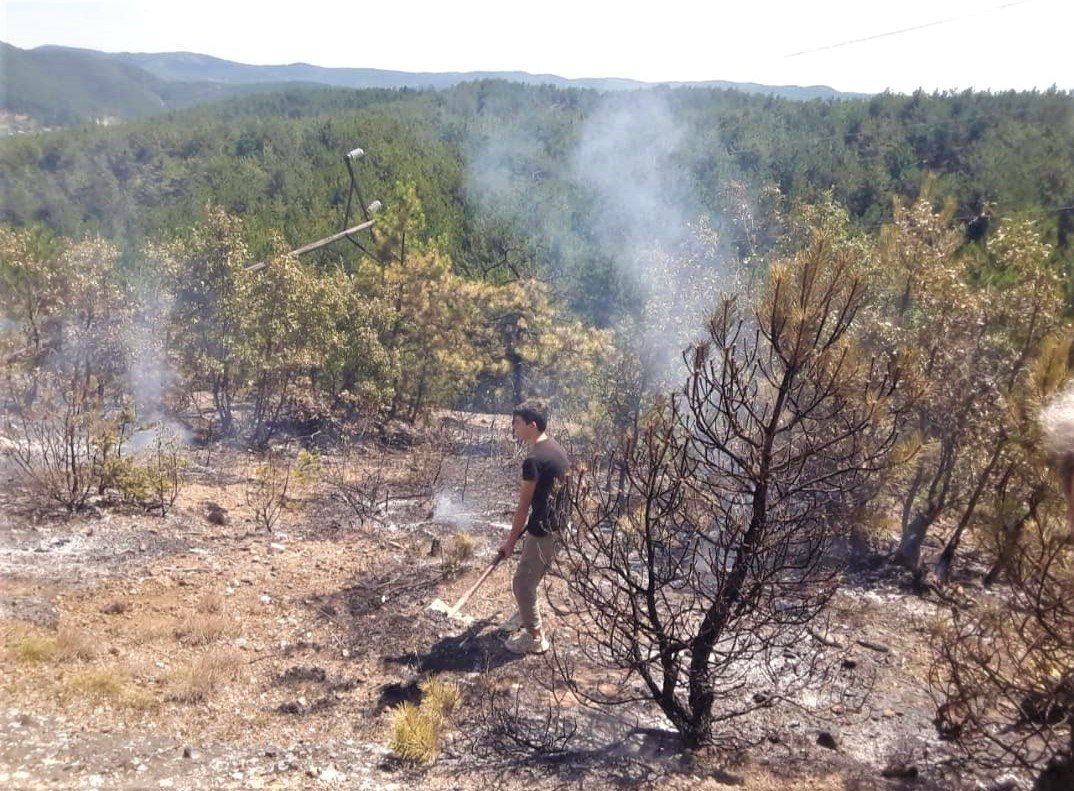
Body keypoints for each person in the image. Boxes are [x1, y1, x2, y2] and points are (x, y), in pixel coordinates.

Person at [497, 399, 571, 655]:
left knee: (522, 584)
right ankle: (524, 613)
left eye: (517, 423)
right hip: (559, 525)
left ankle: (534, 637)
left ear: (533, 424)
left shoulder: (534, 460)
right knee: (532, 576)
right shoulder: (556, 448)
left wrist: (509, 542)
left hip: (543, 530)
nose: (513, 427)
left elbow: (523, 505)